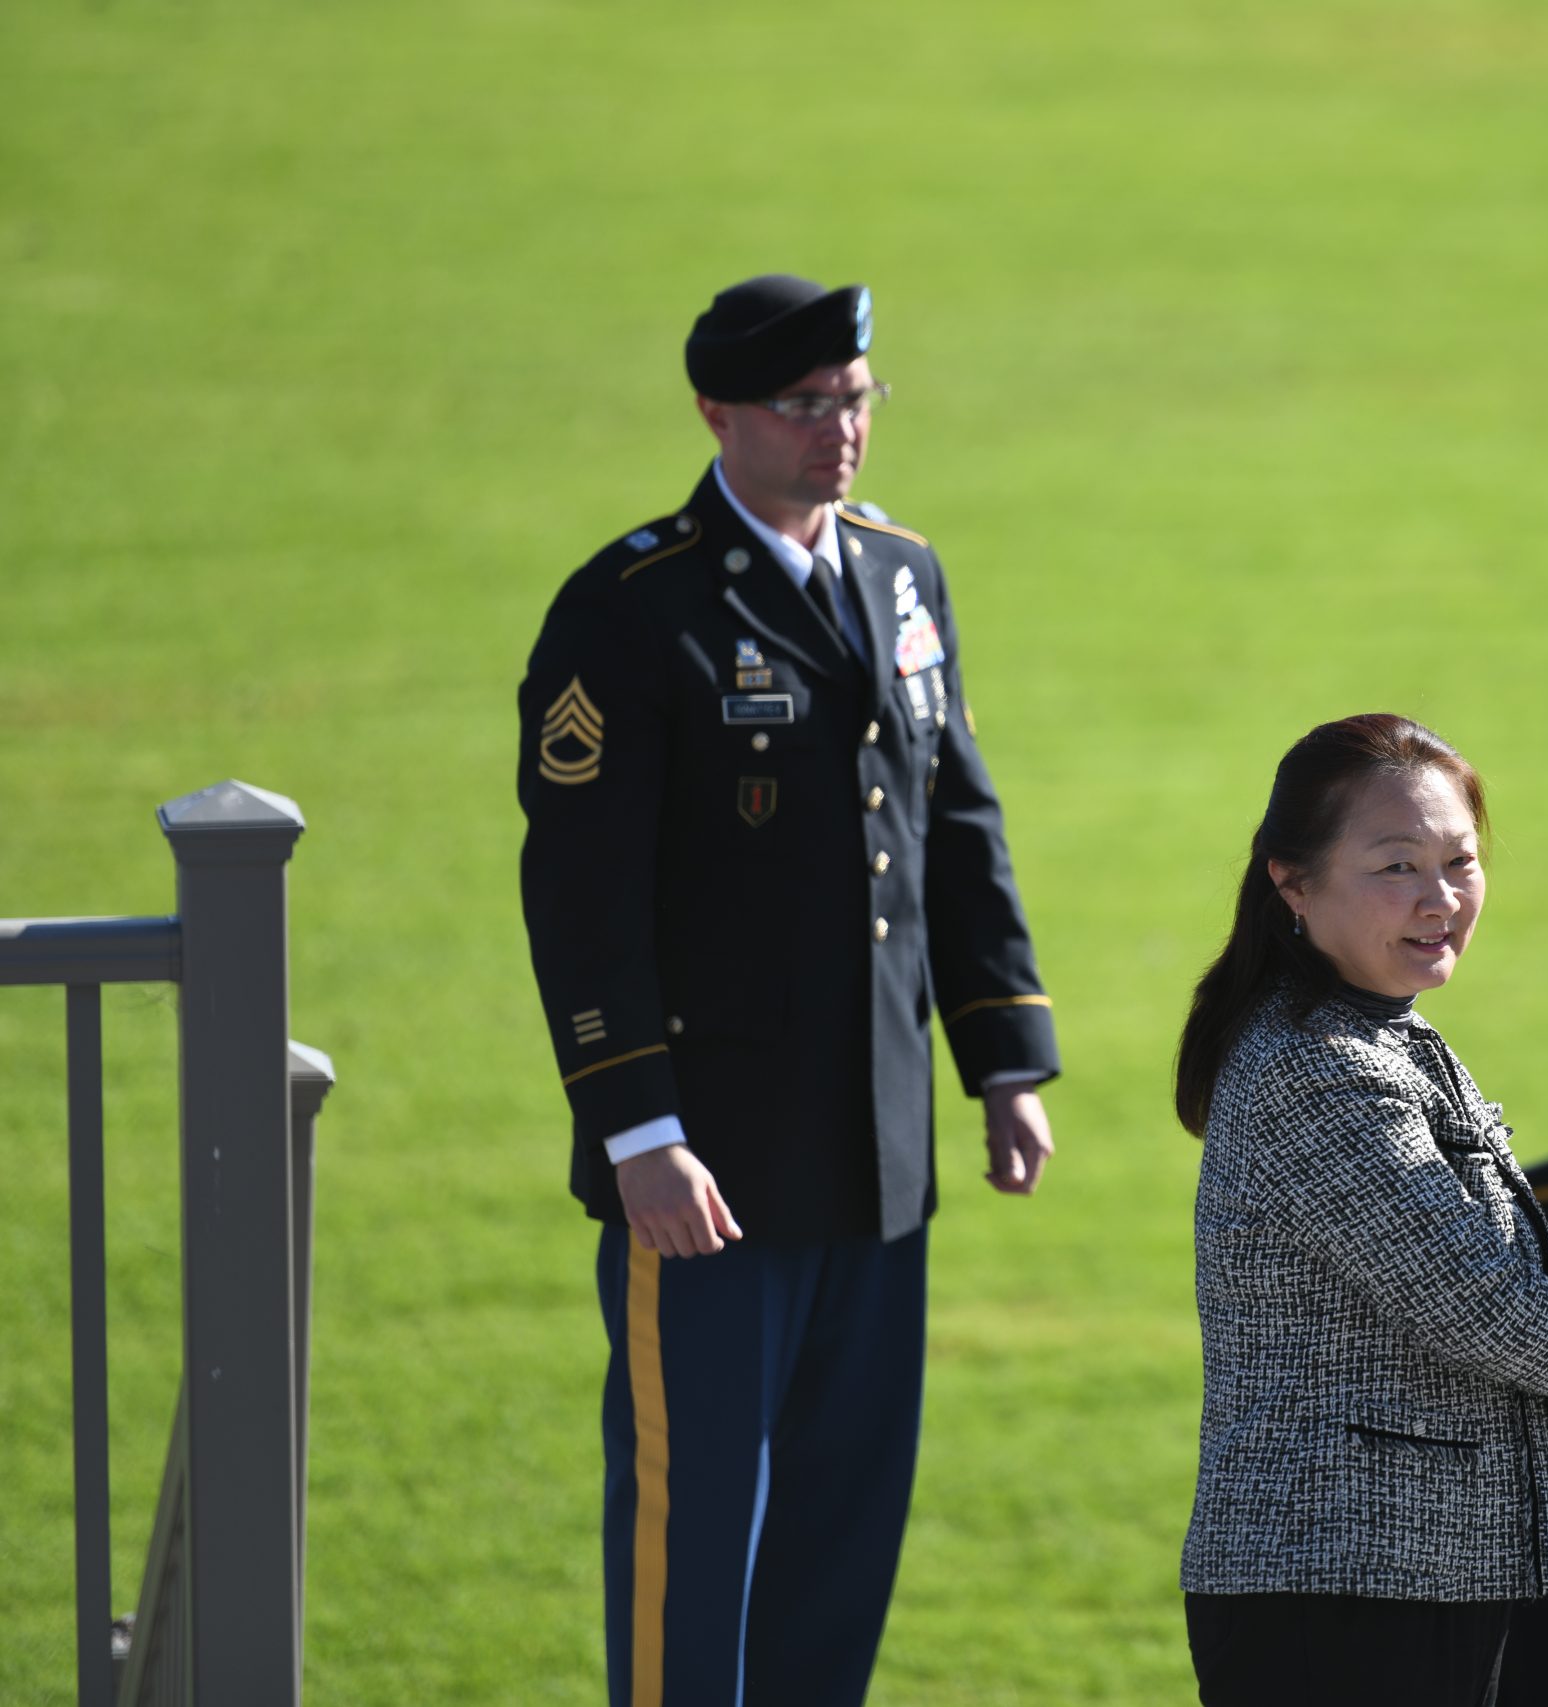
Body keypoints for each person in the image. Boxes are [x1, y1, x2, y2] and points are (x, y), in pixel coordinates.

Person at [515, 273, 1061, 1705]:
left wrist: (1005, 1056)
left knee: (839, 1533)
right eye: (803, 404)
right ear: (716, 413)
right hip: (708, 1168)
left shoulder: (902, 571)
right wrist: (637, 1131)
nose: (840, 429)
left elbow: (953, 820)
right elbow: (581, 900)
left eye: (856, 397)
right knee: (696, 1544)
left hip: (878, 1159)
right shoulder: (632, 610)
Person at [1174, 714, 1548, 1707]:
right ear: (1294, 883)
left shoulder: (1378, 1031)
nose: (1441, 899)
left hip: (1398, 1577)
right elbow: (1469, 1302)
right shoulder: (1318, 1066)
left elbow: (1433, 1254)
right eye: (1396, 867)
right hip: (1341, 1586)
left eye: (1459, 862)